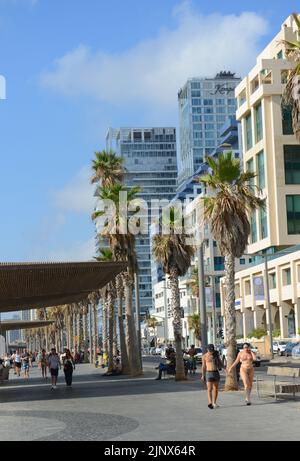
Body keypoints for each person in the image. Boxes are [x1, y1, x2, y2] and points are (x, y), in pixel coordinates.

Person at [202, 344, 226, 410]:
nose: (211, 352)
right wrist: (202, 375)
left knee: (215, 388)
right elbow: (203, 366)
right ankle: (210, 403)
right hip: (208, 373)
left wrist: (225, 369)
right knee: (209, 389)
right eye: (210, 350)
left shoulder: (215, 355)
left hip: (216, 372)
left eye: (212, 350)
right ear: (207, 349)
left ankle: (214, 402)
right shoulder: (204, 356)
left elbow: (220, 362)